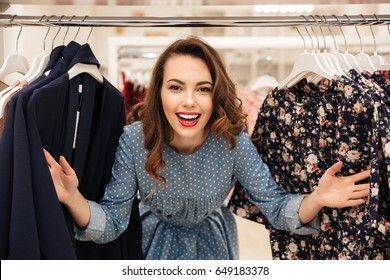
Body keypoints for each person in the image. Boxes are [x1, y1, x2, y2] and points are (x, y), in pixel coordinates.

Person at [44, 35, 370, 260]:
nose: (189, 101)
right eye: (176, 87)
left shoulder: (232, 140)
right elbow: (113, 221)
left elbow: (275, 206)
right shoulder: (135, 139)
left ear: (215, 96)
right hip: (150, 245)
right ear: (158, 92)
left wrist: (319, 197)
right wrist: (72, 197)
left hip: (215, 245)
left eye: (203, 88)